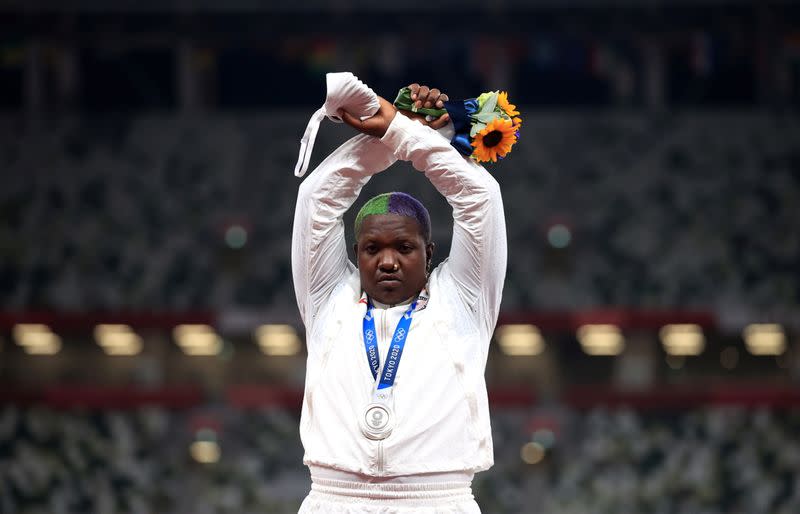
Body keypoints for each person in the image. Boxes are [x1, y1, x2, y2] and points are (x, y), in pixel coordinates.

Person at [292, 83, 507, 513]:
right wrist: (396, 133)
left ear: (429, 253)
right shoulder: (326, 297)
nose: (387, 261)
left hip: (436, 501)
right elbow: (318, 198)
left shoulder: (464, 300)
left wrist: (402, 132)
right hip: (335, 500)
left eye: (403, 248)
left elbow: (479, 199)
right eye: (373, 249)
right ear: (356, 254)